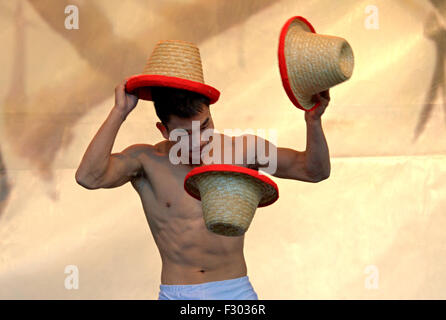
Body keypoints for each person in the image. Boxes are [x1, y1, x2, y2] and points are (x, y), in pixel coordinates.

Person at [75, 79, 331, 300]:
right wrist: (119, 111)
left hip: (235, 291)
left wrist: (314, 121)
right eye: (186, 134)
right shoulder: (146, 160)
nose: (200, 140)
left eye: (205, 125)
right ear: (164, 131)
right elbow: (89, 177)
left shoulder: (244, 150)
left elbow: (314, 171)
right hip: (178, 293)